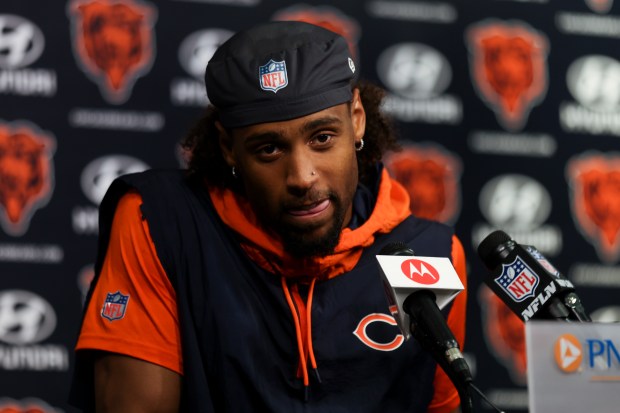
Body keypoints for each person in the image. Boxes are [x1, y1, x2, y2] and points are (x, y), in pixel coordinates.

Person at [70, 20, 468, 413]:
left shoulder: (431, 256)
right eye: (269, 150)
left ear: (357, 119)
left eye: (322, 138)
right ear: (229, 147)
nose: (302, 177)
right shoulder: (160, 222)